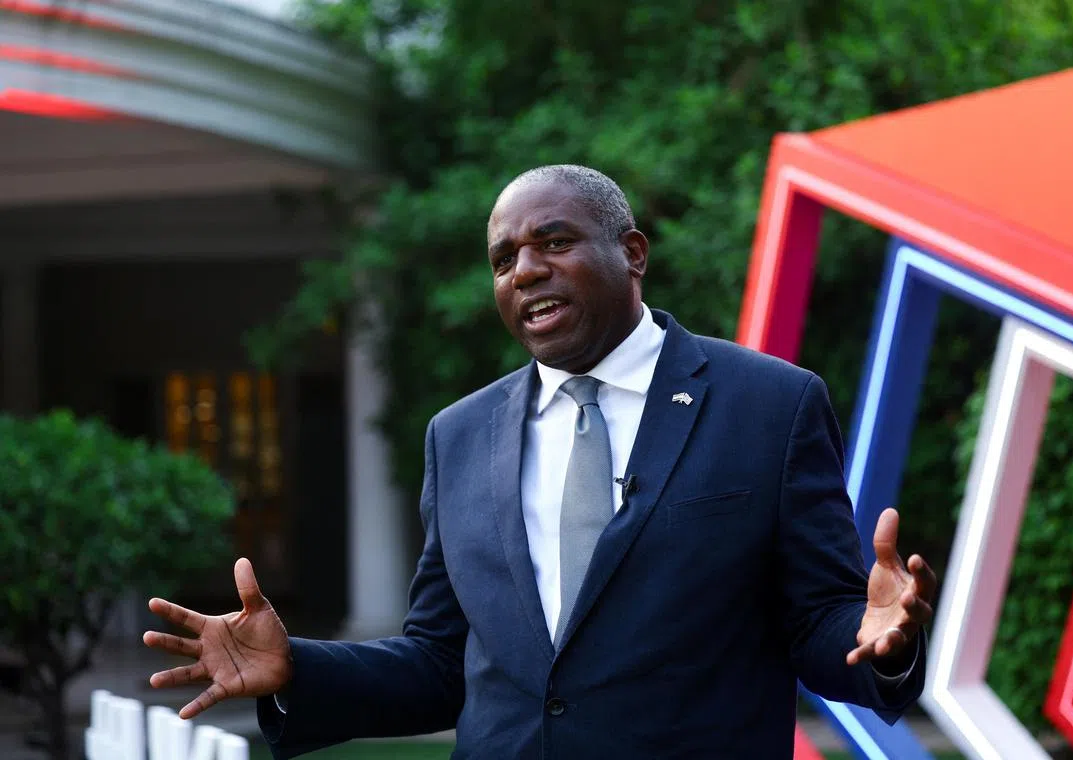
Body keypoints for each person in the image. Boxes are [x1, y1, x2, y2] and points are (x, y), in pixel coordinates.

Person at [144, 165, 937, 759]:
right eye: (503, 258)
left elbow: (819, 624)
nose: (523, 270)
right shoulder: (457, 436)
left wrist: (882, 640)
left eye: (553, 242)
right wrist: (299, 671)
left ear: (632, 253)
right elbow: (440, 663)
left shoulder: (770, 405)